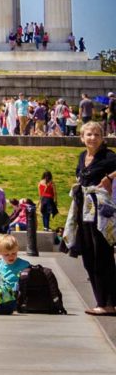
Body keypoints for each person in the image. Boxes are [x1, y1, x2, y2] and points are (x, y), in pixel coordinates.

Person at [67, 120, 116, 316]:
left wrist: (111, 177)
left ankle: (108, 303)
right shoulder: (82, 157)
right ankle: (102, 301)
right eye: (89, 134)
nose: (93, 138)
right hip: (84, 211)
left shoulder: (109, 156)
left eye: (97, 134)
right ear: (82, 137)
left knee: (102, 255)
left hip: (101, 213)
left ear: (102, 138)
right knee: (88, 255)